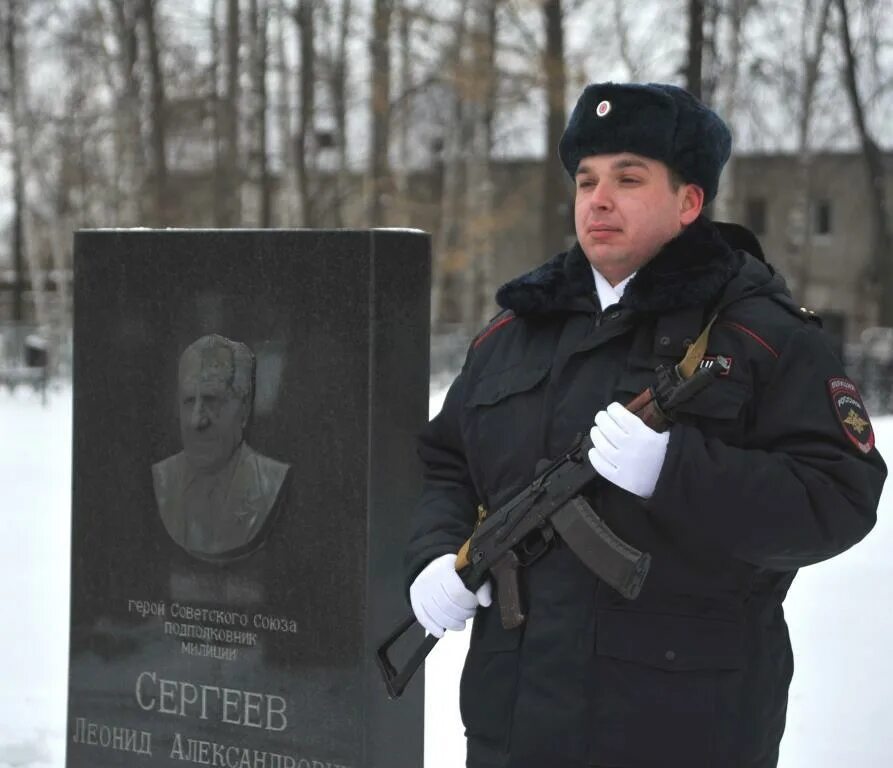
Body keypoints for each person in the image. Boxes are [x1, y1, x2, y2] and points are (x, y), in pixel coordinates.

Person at [404, 82, 887, 768]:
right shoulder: (513, 334)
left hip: (681, 729)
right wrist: (433, 551)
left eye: (628, 178)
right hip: (514, 727)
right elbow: (446, 462)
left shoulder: (760, 337)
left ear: (688, 201)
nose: (598, 199)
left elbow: (837, 497)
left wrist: (675, 470)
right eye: (586, 180)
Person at [152, 333, 290, 561]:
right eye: (188, 401)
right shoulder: (164, 478)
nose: (197, 420)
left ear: (244, 409)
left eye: (212, 400)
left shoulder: (269, 481)